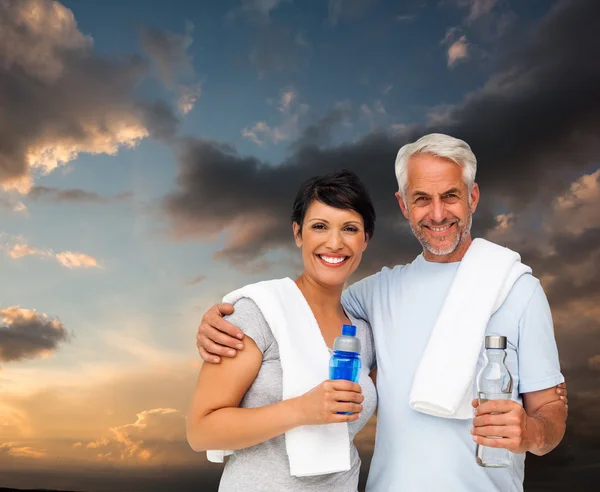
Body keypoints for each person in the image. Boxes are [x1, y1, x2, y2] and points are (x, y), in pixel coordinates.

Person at [195, 133, 569, 491]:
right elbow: (298, 302)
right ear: (404, 205)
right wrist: (225, 313)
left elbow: (550, 411)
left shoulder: (517, 289)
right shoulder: (374, 295)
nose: (437, 213)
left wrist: (531, 432)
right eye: (422, 198)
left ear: (472, 197)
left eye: (451, 196)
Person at [186, 170, 378, 492]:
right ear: (298, 233)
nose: (335, 242)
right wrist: (302, 409)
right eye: (320, 226)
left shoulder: (363, 332)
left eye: (350, 228)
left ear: (365, 240)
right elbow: (201, 430)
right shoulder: (258, 311)